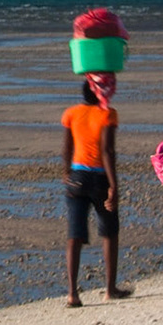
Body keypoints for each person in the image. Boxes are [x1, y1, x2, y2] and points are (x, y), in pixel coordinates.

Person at [61, 80, 132, 306]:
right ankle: (110, 289)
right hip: (100, 178)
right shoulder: (108, 114)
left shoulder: (71, 113)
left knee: (75, 235)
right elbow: (108, 151)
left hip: (77, 178)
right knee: (109, 232)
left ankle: (73, 293)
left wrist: (66, 172)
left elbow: (67, 148)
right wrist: (114, 186)